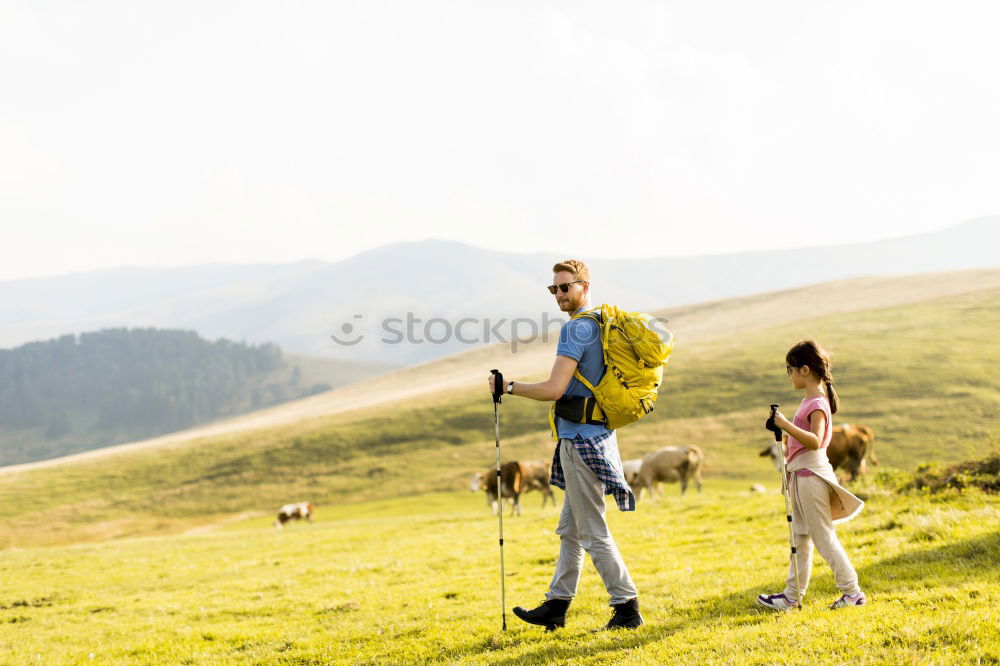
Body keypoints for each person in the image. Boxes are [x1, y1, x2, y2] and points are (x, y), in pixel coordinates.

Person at [486, 259, 643, 631]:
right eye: (553, 289)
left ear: (584, 287)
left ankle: (627, 608)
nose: (559, 294)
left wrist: (509, 386)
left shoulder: (576, 330)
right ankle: (557, 604)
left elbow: (555, 389)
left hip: (579, 442)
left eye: (565, 287)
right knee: (571, 530)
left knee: (592, 532)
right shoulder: (604, 326)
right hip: (601, 436)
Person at [757, 339, 867, 611]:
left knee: (822, 536)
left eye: (790, 369)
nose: (789, 375)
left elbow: (816, 441)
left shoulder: (817, 403)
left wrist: (784, 424)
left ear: (805, 370)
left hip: (811, 476)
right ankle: (791, 597)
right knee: (801, 537)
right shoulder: (810, 400)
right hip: (800, 474)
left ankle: (852, 592)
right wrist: (782, 428)